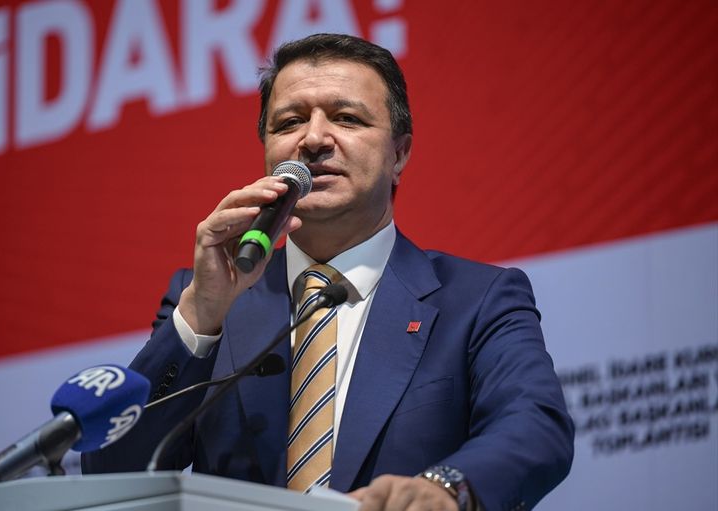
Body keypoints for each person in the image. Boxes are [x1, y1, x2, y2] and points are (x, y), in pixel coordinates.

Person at [83, 33, 574, 511]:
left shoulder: (477, 299)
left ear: (399, 154)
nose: (314, 139)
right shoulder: (206, 299)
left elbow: (535, 427)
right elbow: (112, 471)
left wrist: (444, 489)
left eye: (347, 118)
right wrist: (202, 313)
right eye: (289, 122)